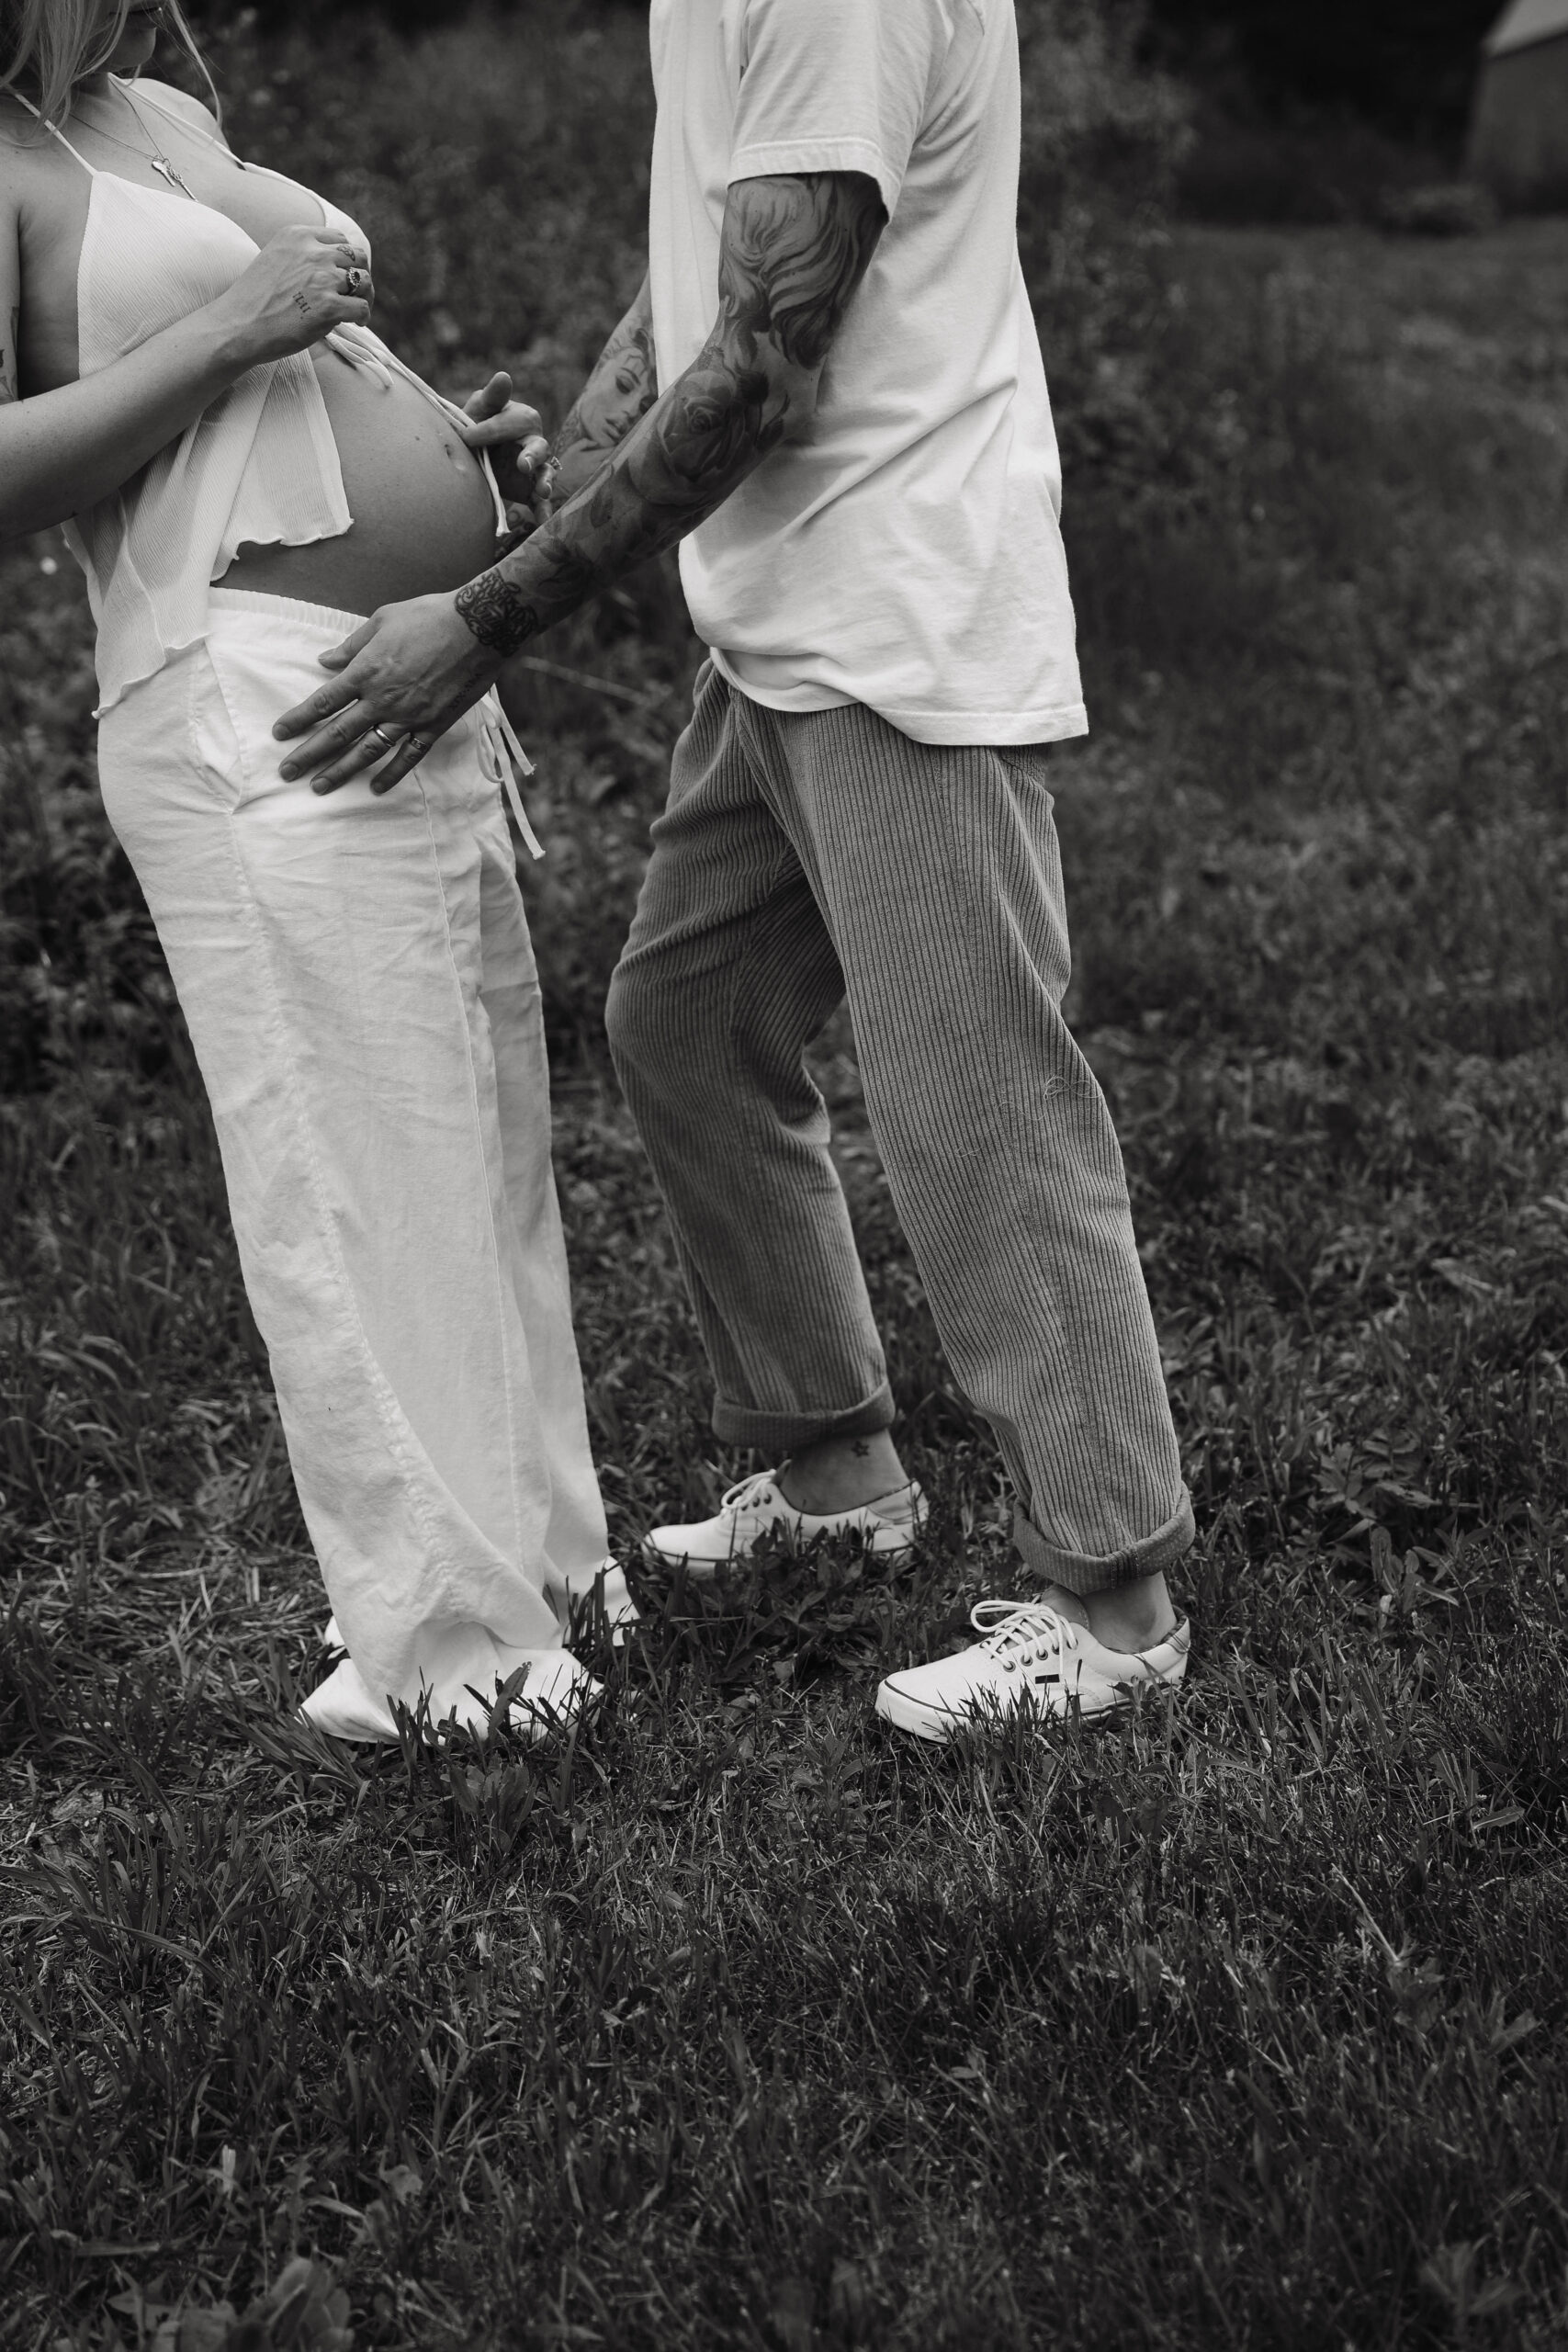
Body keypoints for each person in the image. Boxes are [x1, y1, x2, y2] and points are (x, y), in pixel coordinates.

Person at [272, 0, 1197, 1743]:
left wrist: (487, 621)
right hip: (777, 617)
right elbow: (707, 272)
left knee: (975, 1101)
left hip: (894, 616)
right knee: (686, 1023)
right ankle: (836, 1474)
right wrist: (581, 478)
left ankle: (1116, 1601)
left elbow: (768, 352)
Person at [0, 0, 630, 1744]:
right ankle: (446, 1657)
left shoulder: (140, 109)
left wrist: (448, 451)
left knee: (481, 1149)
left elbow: (299, 355)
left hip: (406, 671)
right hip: (245, 687)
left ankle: (555, 1582)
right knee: (351, 1170)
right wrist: (223, 336)